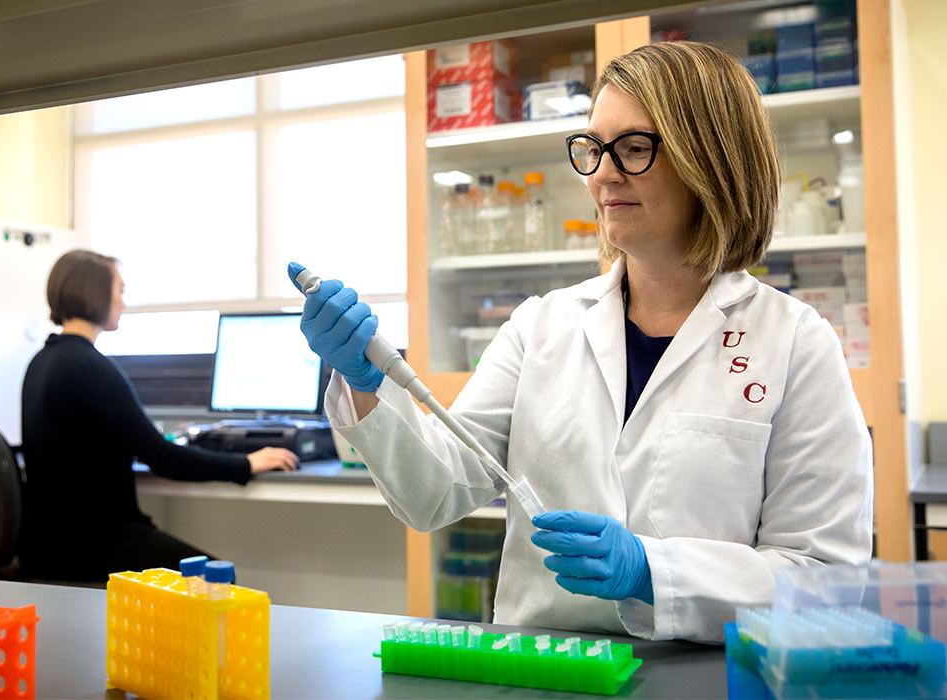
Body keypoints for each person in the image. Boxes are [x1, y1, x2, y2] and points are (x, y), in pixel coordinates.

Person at [289, 41, 873, 643]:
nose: (604, 172)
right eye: (593, 148)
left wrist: (654, 571)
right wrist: (365, 382)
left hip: (701, 676)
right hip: (544, 671)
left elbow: (825, 581)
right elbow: (435, 492)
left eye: (636, 147)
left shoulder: (797, 343)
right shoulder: (542, 326)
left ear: (714, 160)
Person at [20, 249, 298, 581]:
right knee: (218, 579)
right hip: (91, 546)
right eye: (120, 290)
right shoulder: (92, 368)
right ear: (95, 292)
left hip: (48, 544)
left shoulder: (39, 363)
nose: (123, 302)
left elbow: (75, 468)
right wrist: (247, 464)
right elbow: (163, 458)